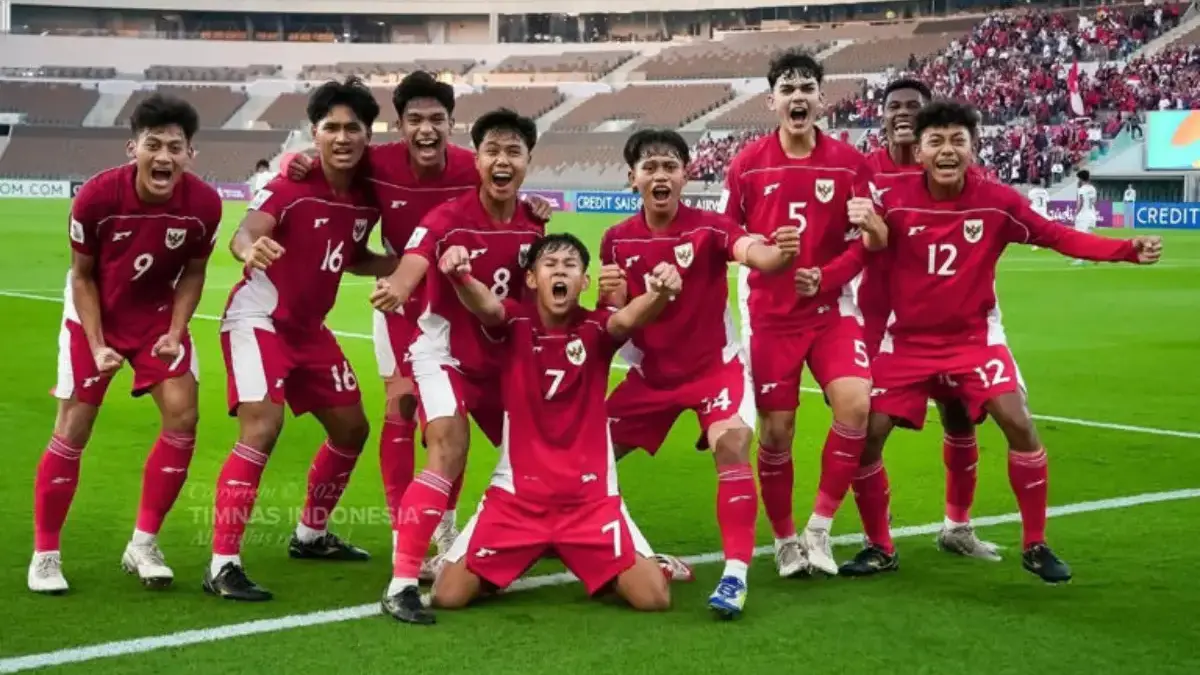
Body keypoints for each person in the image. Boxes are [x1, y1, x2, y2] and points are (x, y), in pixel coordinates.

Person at [837, 100, 1161, 582]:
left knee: (1018, 422)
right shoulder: (893, 198)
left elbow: (1055, 236)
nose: (947, 150)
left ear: (973, 147)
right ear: (919, 152)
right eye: (936, 141)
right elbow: (860, 240)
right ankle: (880, 546)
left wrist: (1124, 251)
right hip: (905, 342)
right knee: (868, 438)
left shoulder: (997, 200)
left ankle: (1035, 544)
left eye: (957, 141)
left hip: (973, 338)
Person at [283, 73, 553, 572]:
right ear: (399, 124)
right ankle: (399, 530)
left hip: (464, 305)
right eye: (415, 120)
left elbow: (511, 186)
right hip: (406, 303)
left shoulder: (475, 164)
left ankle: (446, 527)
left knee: (449, 419)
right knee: (401, 406)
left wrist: (535, 203)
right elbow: (327, 162)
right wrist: (292, 160)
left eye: (436, 120)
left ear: (452, 125)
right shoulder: (377, 162)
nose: (426, 130)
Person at [206, 76, 399, 601]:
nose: (341, 137)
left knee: (352, 429)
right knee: (262, 429)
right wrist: (248, 250)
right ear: (314, 133)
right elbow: (246, 231)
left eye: (352, 128)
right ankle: (222, 563)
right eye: (330, 127)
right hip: (259, 319)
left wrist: (402, 264)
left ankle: (310, 536)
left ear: (367, 133)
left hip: (310, 332)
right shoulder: (291, 184)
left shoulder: (366, 196)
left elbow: (352, 255)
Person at [427, 234, 681, 621]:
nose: (560, 270)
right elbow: (488, 307)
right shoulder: (513, 322)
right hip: (517, 499)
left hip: (590, 499)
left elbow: (628, 317)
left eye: (570, 265)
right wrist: (460, 276)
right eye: (550, 264)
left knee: (653, 598)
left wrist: (660, 292)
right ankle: (531, 549)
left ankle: (647, 561)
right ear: (531, 280)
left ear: (584, 283)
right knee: (447, 595)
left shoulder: (597, 328)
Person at [599, 128, 799, 618]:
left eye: (670, 165)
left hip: (715, 370)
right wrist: (611, 295)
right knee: (588, 455)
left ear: (686, 174)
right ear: (633, 179)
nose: (660, 174)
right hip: (651, 377)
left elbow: (754, 252)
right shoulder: (616, 240)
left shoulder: (711, 226)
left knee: (731, 445)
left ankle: (734, 576)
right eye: (650, 167)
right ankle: (631, 554)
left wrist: (781, 253)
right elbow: (617, 318)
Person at [28, 94, 221, 594]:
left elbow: (194, 272)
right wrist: (96, 344)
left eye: (174, 147)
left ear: (190, 154)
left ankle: (143, 544)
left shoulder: (204, 205)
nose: (163, 157)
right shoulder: (96, 197)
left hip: (156, 318)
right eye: (153, 145)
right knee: (74, 425)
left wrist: (177, 331)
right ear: (132, 147)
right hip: (96, 313)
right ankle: (46, 554)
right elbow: (82, 275)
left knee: (184, 414)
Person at [806, 81, 1002, 563]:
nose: (903, 114)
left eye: (914, 107)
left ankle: (958, 526)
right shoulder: (863, 169)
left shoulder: (950, 165)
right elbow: (845, 234)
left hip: (954, 320)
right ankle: (879, 540)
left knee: (959, 416)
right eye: (894, 107)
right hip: (883, 323)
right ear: (881, 115)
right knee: (870, 429)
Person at [370, 108, 546, 622]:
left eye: (513, 152)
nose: (502, 160)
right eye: (493, 150)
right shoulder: (447, 217)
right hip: (442, 352)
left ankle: (491, 546)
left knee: (533, 462)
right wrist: (398, 287)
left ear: (528, 162)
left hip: (503, 359)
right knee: (447, 445)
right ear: (477, 160)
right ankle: (402, 581)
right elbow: (414, 259)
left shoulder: (533, 225)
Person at [720, 49, 882, 578]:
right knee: (777, 433)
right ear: (772, 101)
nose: (797, 97)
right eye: (787, 90)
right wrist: (760, 248)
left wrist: (829, 276)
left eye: (806, 88)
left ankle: (819, 528)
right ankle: (786, 539)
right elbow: (728, 234)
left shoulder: (849, 163)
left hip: (831, 310)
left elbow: (867, 243)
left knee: (856, 405)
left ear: (821, 98)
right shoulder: (746, 164)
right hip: (770, 315)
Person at [1073, 170, 1099, 265]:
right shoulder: (1093, 189)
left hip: (1083, 216)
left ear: (1080, 179)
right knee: (1089, 239)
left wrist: (1076, 213)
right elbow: (1095, 202)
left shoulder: (1081, 189)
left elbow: (1081, 203)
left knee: (1079, 238)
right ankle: (1097, 256)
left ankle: (1080, 259)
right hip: (1092, 215)